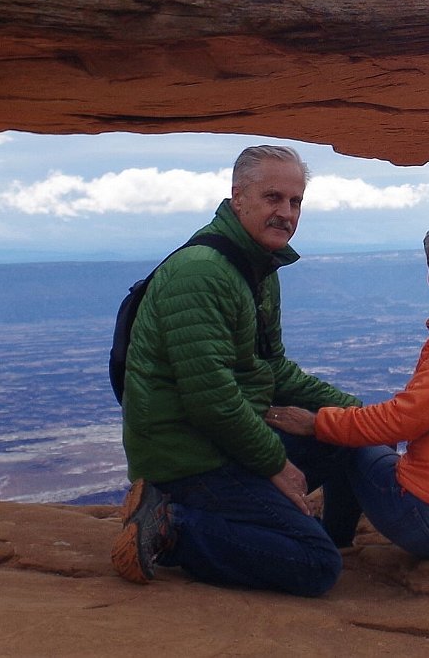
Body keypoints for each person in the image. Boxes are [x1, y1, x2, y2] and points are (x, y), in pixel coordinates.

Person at [110, 145, 362, 597]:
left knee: (350, 438)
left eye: (295, 201)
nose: (286, 212)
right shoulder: (203, 273)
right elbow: (211, 400)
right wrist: (275, 464)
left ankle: (327, 537)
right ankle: (171, 522)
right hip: (189, 458)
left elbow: (273, 368)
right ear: (237, 197)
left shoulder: (256, 268)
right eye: (273, 198)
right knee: (315, 566)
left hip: (222, 442)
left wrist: (357, 413)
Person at [268, 212, 429, 559]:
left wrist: (317, 423)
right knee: (354, 428)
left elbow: (405, 419)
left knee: (346, 439)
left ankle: (328, 546)